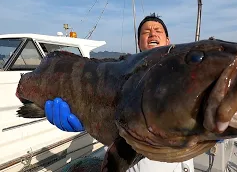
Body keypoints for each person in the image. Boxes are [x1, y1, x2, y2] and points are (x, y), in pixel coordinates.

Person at [45, 13, 195, 172]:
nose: (152, 33)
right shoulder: (122, 74)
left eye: (158, 30)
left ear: (167, 40)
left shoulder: (185, 75)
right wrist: (85, 116)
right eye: (146, 32)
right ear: (139, 43)